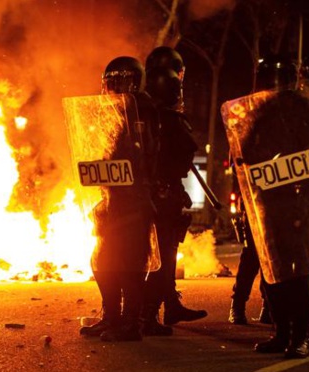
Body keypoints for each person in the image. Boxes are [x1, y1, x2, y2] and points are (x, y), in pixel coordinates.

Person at [79, 56, 158, 342]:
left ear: (134, 83)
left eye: (120, 82)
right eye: (110, 82)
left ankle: (130, 324)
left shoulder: (142, 111)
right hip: (114, 199)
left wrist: (112, 166)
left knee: (129, 264)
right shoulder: (113, 113)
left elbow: (140, 154)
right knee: (102, 260)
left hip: (134, 200)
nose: (113, 88)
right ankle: (112, 316)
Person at [243, 54, 309, 359]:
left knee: (297, 272)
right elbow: (245, 151)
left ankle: (301, 334)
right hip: (268, 201)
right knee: (272, 270)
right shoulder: (259, 113)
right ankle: (282, 331)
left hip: (297, 201)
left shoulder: (302, 109)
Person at [140, 47, 207, 336]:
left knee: (161, 254)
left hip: (149, 194)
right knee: (161, 255)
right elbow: (184, 154)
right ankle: (148, 313)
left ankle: (168, 303)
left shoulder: (139, 112)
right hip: (162, 194)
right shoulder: (166, 119)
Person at [228, 190, 271, 325]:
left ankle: (268, 307)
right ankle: (238, 306)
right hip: (255, 203)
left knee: (271, 260)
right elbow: (238, 170)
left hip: (276, 205)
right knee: (251, 258)